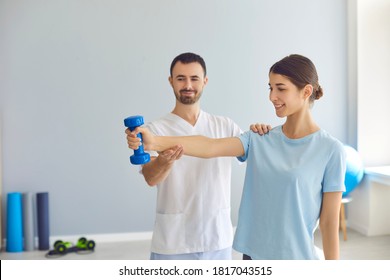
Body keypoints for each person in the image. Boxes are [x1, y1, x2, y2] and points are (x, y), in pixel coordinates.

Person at [126, 54, 346, 260]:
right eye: (270, 88)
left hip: (295, 256)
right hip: (250, 254)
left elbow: (328, 223)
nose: (272, 97)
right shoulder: (260, 139)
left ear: (306, 92)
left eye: (280, 88)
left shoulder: (331, 150)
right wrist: (154, 142)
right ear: (171, 81)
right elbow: (209, 146)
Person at [133, 52, 270, 260]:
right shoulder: (154, 129)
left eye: (194, 78)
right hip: (173, 241)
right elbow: (150, 178)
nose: (188, 84)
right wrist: (164, 161)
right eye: (181, 78)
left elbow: (255, 155)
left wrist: (260, 132)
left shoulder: (225, 126)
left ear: (205, 82)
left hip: (218, 238)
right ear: (171, 82)